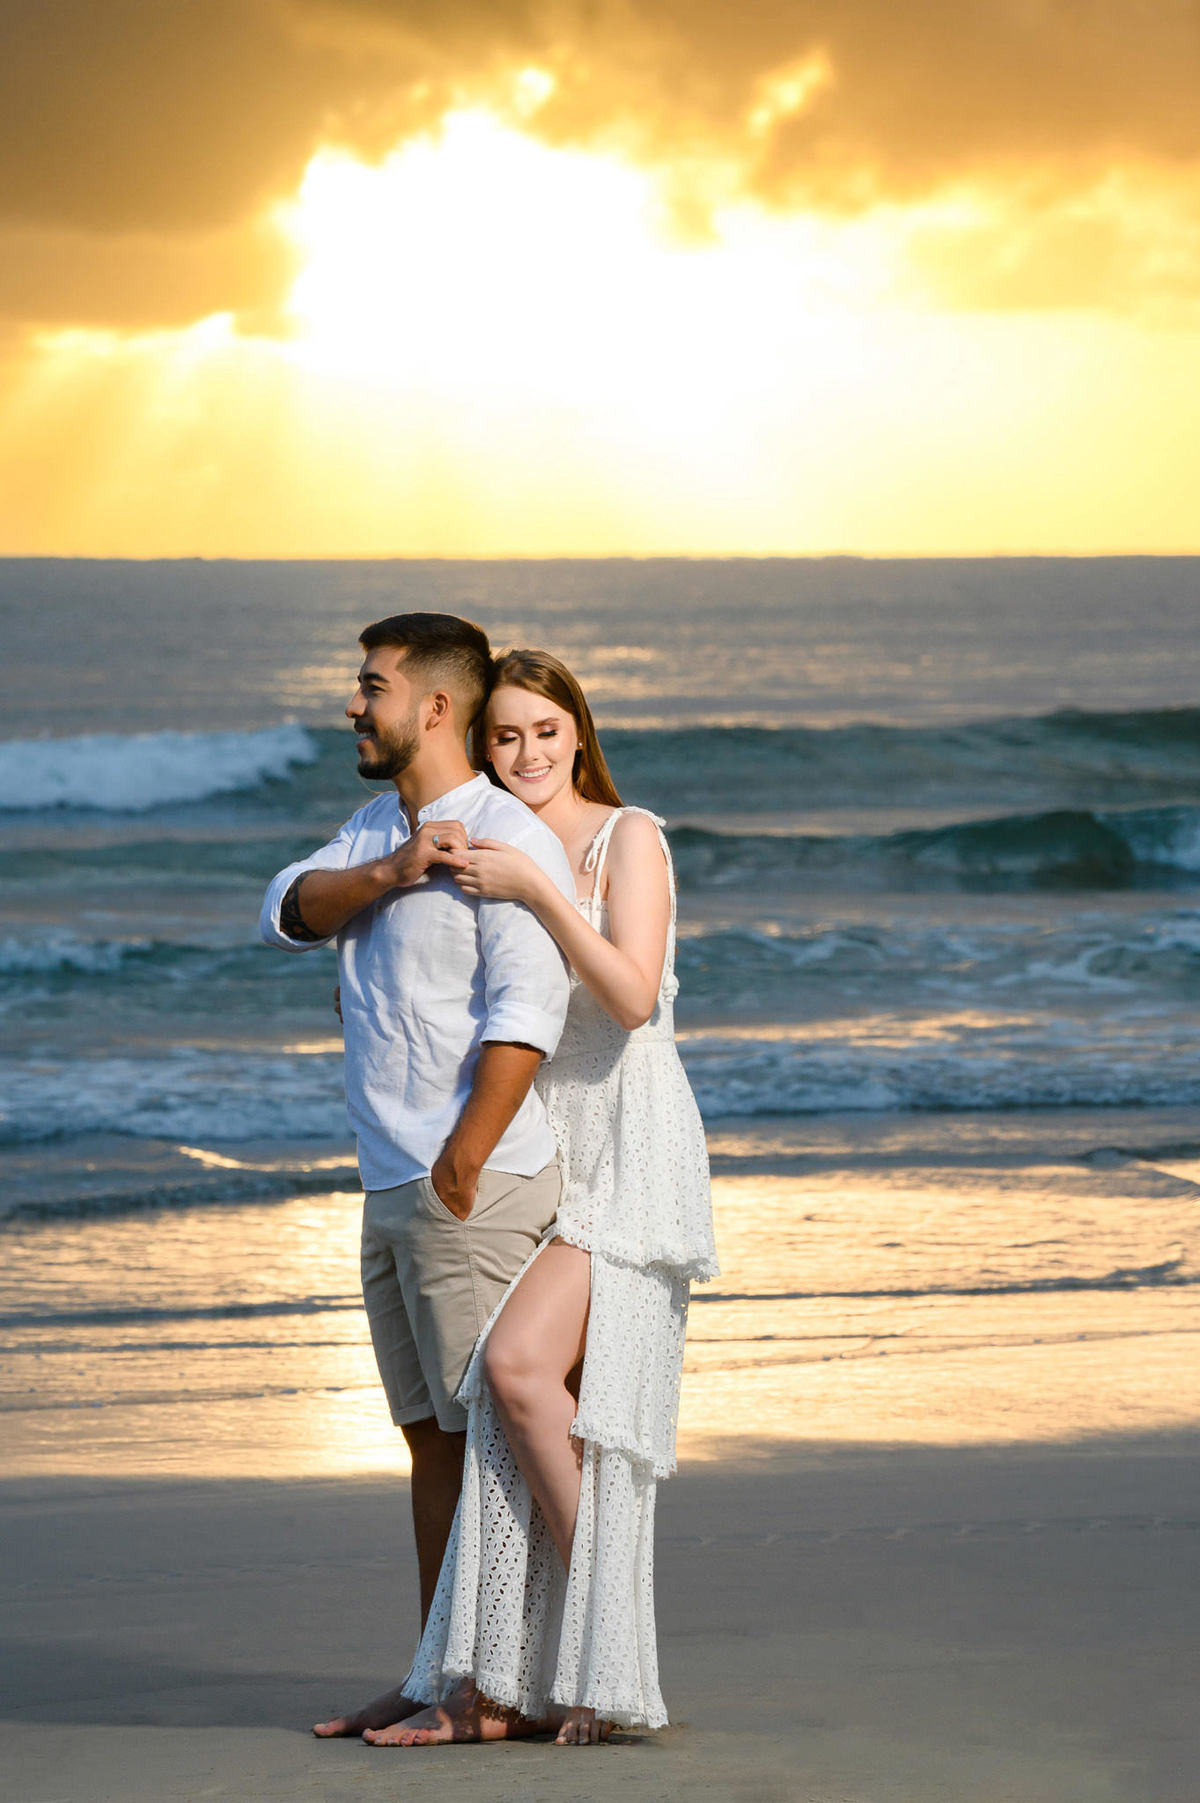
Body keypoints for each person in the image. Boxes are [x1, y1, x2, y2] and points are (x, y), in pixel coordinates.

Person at [363, 648, 718, 1749]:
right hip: (548, 1145)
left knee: (520, 1375)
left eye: (545, 732)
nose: (525, 754)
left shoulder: (627, 837)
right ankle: (500, 1678)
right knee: (528, 1416)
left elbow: (632, 993)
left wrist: (542, 896)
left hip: (630, 1145)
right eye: (505, 736)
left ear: (580, 731)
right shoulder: (496, 843)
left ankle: (612, 1657)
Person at [257, 614, 576, 1741]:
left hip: (465, 1190)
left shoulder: (505, 838)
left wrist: (462, 1162)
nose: (354, 704)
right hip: (392, 1184)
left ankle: (493, 1688)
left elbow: (526, 1019)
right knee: (429, 1441)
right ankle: (440, 1669)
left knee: (486, 1439)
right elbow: (286, 912)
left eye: (371, 685)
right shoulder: (371, 830)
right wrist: (391, 871)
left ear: (433, 707)